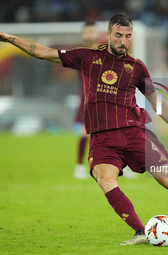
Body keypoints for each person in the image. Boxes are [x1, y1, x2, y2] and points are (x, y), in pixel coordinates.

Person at [0, 12, 168, 245]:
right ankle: (140, 231)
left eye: (128, 36)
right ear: (109, 34)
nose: (123, 41)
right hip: (102, 138)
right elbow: (42, 52)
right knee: (105, 179)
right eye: (119, 35)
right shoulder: (87, 57)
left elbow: (155, 101)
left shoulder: (137, 67)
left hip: (133, 132)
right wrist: (10, 38)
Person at [73, 21, 99, 180]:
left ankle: (123, 164)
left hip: (107, 96)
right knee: (85, 131)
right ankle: (79, 166)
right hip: (87, 96)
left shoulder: (106, 51)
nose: (90, 34)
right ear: (83, 34)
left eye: (93, 31)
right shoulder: (79, 53)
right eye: (88, 32)